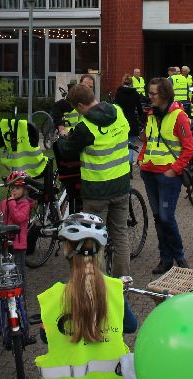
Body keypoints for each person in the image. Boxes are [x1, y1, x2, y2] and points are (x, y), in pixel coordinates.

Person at [35, 214, 137, 379]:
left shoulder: (53, 297)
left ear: (66, 249)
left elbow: (45, 337)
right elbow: (131, 326)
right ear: (100, 250)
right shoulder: (114, 289)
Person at [54, 83, 133, 276]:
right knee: (121, 235)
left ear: (80, 105)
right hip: (122, 185)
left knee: (94, 239)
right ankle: (123, 283)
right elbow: (128, 130)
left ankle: (99, 289)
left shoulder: (85, 127)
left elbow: (66, 151)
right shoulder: (118, 111)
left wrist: (63, 136)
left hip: (96, 192)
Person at [138, 77, 193, 274]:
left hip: (167, 177)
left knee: (166, 217)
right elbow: (147, 141)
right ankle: (165, 259)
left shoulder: (178, 116)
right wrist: (140, 158)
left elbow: (189, 148)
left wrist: (174, 170)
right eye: (150, 93)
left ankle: (179, 257)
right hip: (149, 173)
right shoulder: (151, 115)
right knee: (158, 218)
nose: (150, 96)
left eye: (153, 93)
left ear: (164, 95)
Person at [1, 170, 34, 291]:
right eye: (12, 188)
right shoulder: (7, 202)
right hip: (7, 241)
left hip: (19, 244)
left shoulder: (24, 204)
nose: (14, 190)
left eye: (17, 188)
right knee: (7, 267)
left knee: (19, 269)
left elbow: (19, 218)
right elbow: (3, 218)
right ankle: (10, 289)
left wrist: (11, 203)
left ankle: (21, 291)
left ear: (24, 190)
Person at [114, 73, 146, 147]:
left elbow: (116, 107)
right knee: (131, 145)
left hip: (120, 120)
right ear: (132, 82)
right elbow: (139, 109)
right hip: (132, 120)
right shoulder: (135, 93)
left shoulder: (119, 93)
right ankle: (130, 159)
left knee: (121, 144)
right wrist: (142, 120)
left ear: (123, 82)